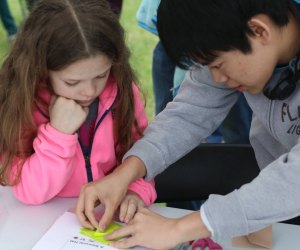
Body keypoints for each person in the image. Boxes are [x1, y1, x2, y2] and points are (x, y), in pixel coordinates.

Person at [75, 0, 300, 248]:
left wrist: (179, 228)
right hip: (277, 206)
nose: (217, 78)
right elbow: (189, 113)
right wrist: (126, 172)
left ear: (259, 30)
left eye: (217, 65)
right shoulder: (234, 41)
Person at [0, 0, 156, 224]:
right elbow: (30, 192)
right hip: (41, 221)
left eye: (101, 75)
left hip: (106, 217)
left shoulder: (122, 90)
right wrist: (58, 134)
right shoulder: (21, 103)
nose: (90, 91)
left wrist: (136, 190)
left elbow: (143, 152)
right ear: (41, 69)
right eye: (72, 82)